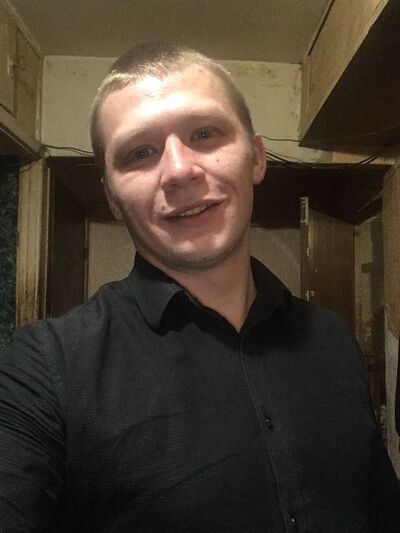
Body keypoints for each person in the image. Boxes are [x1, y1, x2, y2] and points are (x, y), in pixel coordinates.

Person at [0, 42, 399, 532]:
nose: (179, 170)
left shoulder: (334, 339)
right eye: (140, 152)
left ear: (256, 158)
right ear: (112, 198)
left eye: (205, 133)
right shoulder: (44, 368)